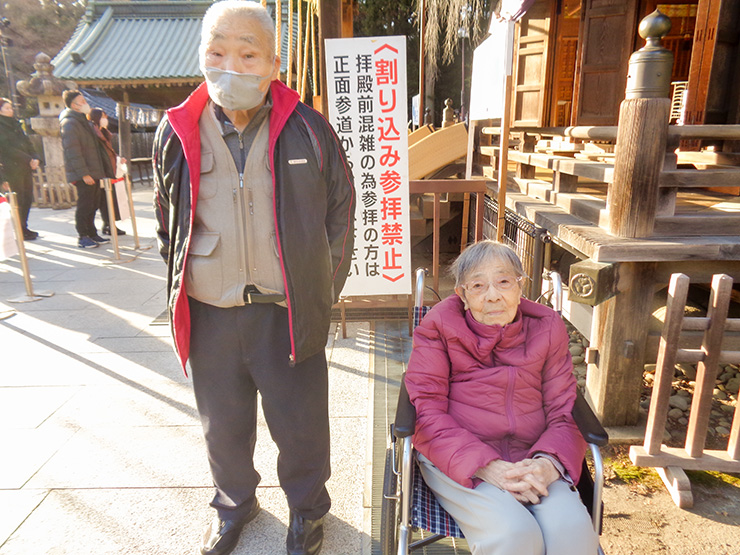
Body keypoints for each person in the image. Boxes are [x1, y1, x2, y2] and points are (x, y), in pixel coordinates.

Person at [152, 2, 355, 555]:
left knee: (301, 426)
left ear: (272, 63)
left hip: (284, 310)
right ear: (201, 55)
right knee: (223, 425)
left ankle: (309, 511)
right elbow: (167, 218)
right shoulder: (175, 132)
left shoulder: (308, 130)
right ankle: (234, 505)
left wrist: (318, 289)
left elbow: (341, 211)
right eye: (217, 52)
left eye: (247, 54)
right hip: (211, 310)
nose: (231, 66)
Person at [405, 241, 599, 555]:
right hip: (461, 460)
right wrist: (488, 467)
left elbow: (564, 408)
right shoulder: (438, 328)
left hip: (534, 455)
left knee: (573, 531)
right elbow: (426, 412)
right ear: (462, 295)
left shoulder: (547, 327)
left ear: (521, 286)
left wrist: (548, 465)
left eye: (504, 281)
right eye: (479, 285)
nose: (493, 295)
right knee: (515, 534)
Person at [59, 90, 113, 249]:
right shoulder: (69, 123)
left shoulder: (84, 121)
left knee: (93, 203)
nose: (85, 103)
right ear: (74, 105)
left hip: (93, 170)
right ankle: (83, 236)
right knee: (85, 204)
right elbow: (73, 151)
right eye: (81, 101)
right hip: (84, 173)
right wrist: (84, 173)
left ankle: (92, 232)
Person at [0, 98, 41, 240]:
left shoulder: (16, 124)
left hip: (25, 166)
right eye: (6, 108)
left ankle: (24, 226)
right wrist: (28, 158)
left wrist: (35, 157)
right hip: (11, 168)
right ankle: (17, 228)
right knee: (17, 200)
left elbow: (27, 142)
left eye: (10, 107)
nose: (10, 110)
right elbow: (7, 149)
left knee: (27, 197)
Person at [87, 108, 126, 236]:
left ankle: (110, 223)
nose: (106, 119)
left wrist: (118, 159)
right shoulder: (93, 133)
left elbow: (109, 152)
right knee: (104, 199)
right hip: (101, 169)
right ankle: (107, 224)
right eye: (103, 116)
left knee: (109, 198)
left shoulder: (103, 132)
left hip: (109, 168)